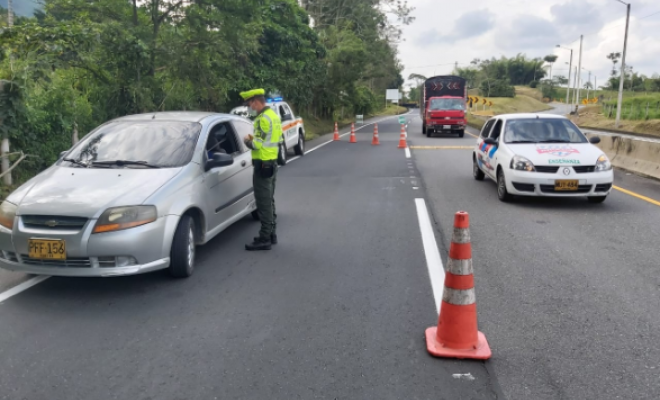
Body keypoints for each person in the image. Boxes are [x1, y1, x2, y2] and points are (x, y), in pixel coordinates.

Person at [240, 88, 282, 251]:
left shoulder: (262, 119)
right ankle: (271, 234)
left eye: (249, 104)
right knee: (269, 200)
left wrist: (247, 141)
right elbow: (272, 139)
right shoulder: (274, 116)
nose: (249, 107)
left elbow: (257, 144)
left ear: (256, 102)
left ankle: (265, 238)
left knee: (263, 203)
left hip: (263, 165)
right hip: (271, 162)